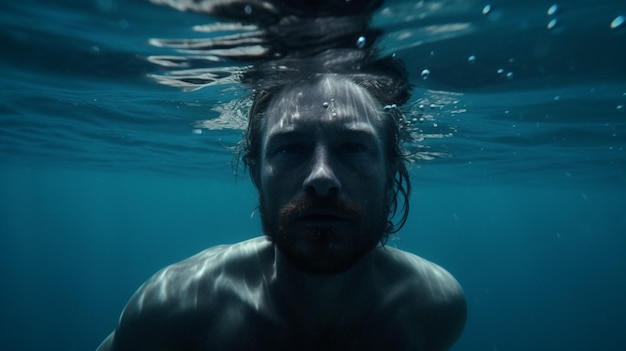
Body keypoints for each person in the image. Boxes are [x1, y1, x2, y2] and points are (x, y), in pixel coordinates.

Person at [97, 71, 466, 350]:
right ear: (256, 171)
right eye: (290, 148)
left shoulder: (433, 307)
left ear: (392, 171)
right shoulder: (172, 312)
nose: (322, 178)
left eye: (353, 147)